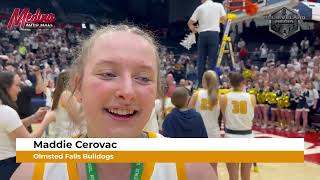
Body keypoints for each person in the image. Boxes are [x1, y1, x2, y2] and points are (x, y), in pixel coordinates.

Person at [12, 24, 217, 180]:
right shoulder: (34, 173)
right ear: (78, 86)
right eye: (108, 74)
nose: (127, 92)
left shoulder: (191, 169)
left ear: (156, 90)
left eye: (143, 78)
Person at [0, 72, 51, 179]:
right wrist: (46, 121)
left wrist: (33, 118)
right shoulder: (6, 112)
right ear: (6, 87)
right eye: (17, 85)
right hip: (11, 165)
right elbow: (28, 145)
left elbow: (9, 127)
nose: (19, 90)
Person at [220, 72, 256, 180]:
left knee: (233, 176)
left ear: (230, 83)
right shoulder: (252, 97)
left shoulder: (224, 98)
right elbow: (251, 117)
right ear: (243, 82)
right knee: (246, 176)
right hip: (248, 136)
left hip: (231, 136)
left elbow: (224, 118)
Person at [188, 70, 220, 176]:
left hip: (198, 133)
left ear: (205, 81)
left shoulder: (197, 94)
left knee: (197, 167)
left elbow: (188, 113)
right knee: (213, 166)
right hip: (214, 133)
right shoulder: (220, 96)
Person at [188, 0, 227, 86]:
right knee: (212, 60)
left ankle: (201, 85)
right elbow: (224, 20)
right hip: (214, 35)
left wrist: (195, 30)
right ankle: (210, 84)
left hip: (202, 35)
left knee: (201, 60)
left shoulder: (200, 8)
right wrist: (216, 19)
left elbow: (190, 23)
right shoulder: (218, 5)